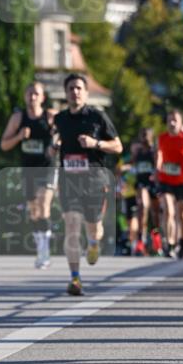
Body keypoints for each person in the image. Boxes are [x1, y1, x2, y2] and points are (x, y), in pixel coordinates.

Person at [53, 73, 122, 296]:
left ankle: (93, 243)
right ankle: (75, 278)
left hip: (94, 180)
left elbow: (118, 146)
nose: (75, 92)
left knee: (94, 227)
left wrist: (96, 143)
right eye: (71, 88)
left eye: (79, 88)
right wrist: (53, 146)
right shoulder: (60, 119)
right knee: (72, 226)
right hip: (68, 180)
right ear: (66, 93)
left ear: (86, 92)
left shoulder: (97, 117)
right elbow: (56, 140)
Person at [0, 81, 56, 269]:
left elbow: (64, 135)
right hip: (28, 170)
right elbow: (4, 145)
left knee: (43, 204)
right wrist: (18, 136)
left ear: (43, 97)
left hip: (47, 168)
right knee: (34, 211)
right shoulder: (18, 118)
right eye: (29, 93)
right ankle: (41, 248)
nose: (32, 97)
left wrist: (56, 143)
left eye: (36, 94)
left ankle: (45, 251)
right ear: (25, 96)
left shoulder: (50, 116)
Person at [156, 108, 183, 259]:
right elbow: (159, 154)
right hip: (166, 179)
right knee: (168, 210)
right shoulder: (162, 138)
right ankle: (169, 244)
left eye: (175, 120)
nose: (172, 123)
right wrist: (157, 167)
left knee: (182, 214)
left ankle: (182, 242)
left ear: (181, 123)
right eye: (170, 120)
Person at [130, 127, 158, 255]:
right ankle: (141, 239)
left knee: (155, 213)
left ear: (151, 136)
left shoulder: (154, 151)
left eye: (146, 135)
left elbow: (158, 165)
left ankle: (157, 237)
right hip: (141, 184)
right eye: (142, 135)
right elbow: (133, 165)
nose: (144, 138)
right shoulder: (138, 152)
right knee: (142, 207)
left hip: (153, 184)